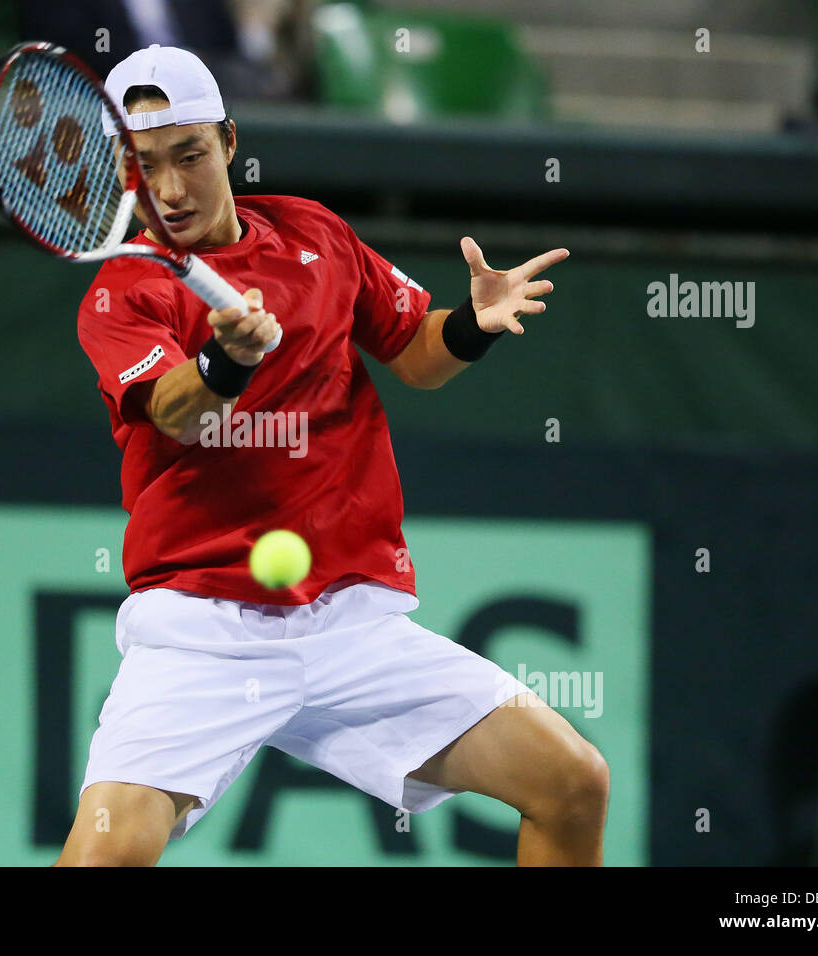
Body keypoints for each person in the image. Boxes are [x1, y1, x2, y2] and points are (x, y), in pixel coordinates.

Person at [59, 44, 606, 866]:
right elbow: (178, 414)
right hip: (203, 631)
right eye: (144, 165)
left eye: (189, 156)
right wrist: (225, 361)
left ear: (230, 142)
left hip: (348, 622)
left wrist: (470, 325)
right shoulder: (123, 291)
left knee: (571, 781)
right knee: (104, 857)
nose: (169, 189)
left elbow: (415, 352)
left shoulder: (314, 232)